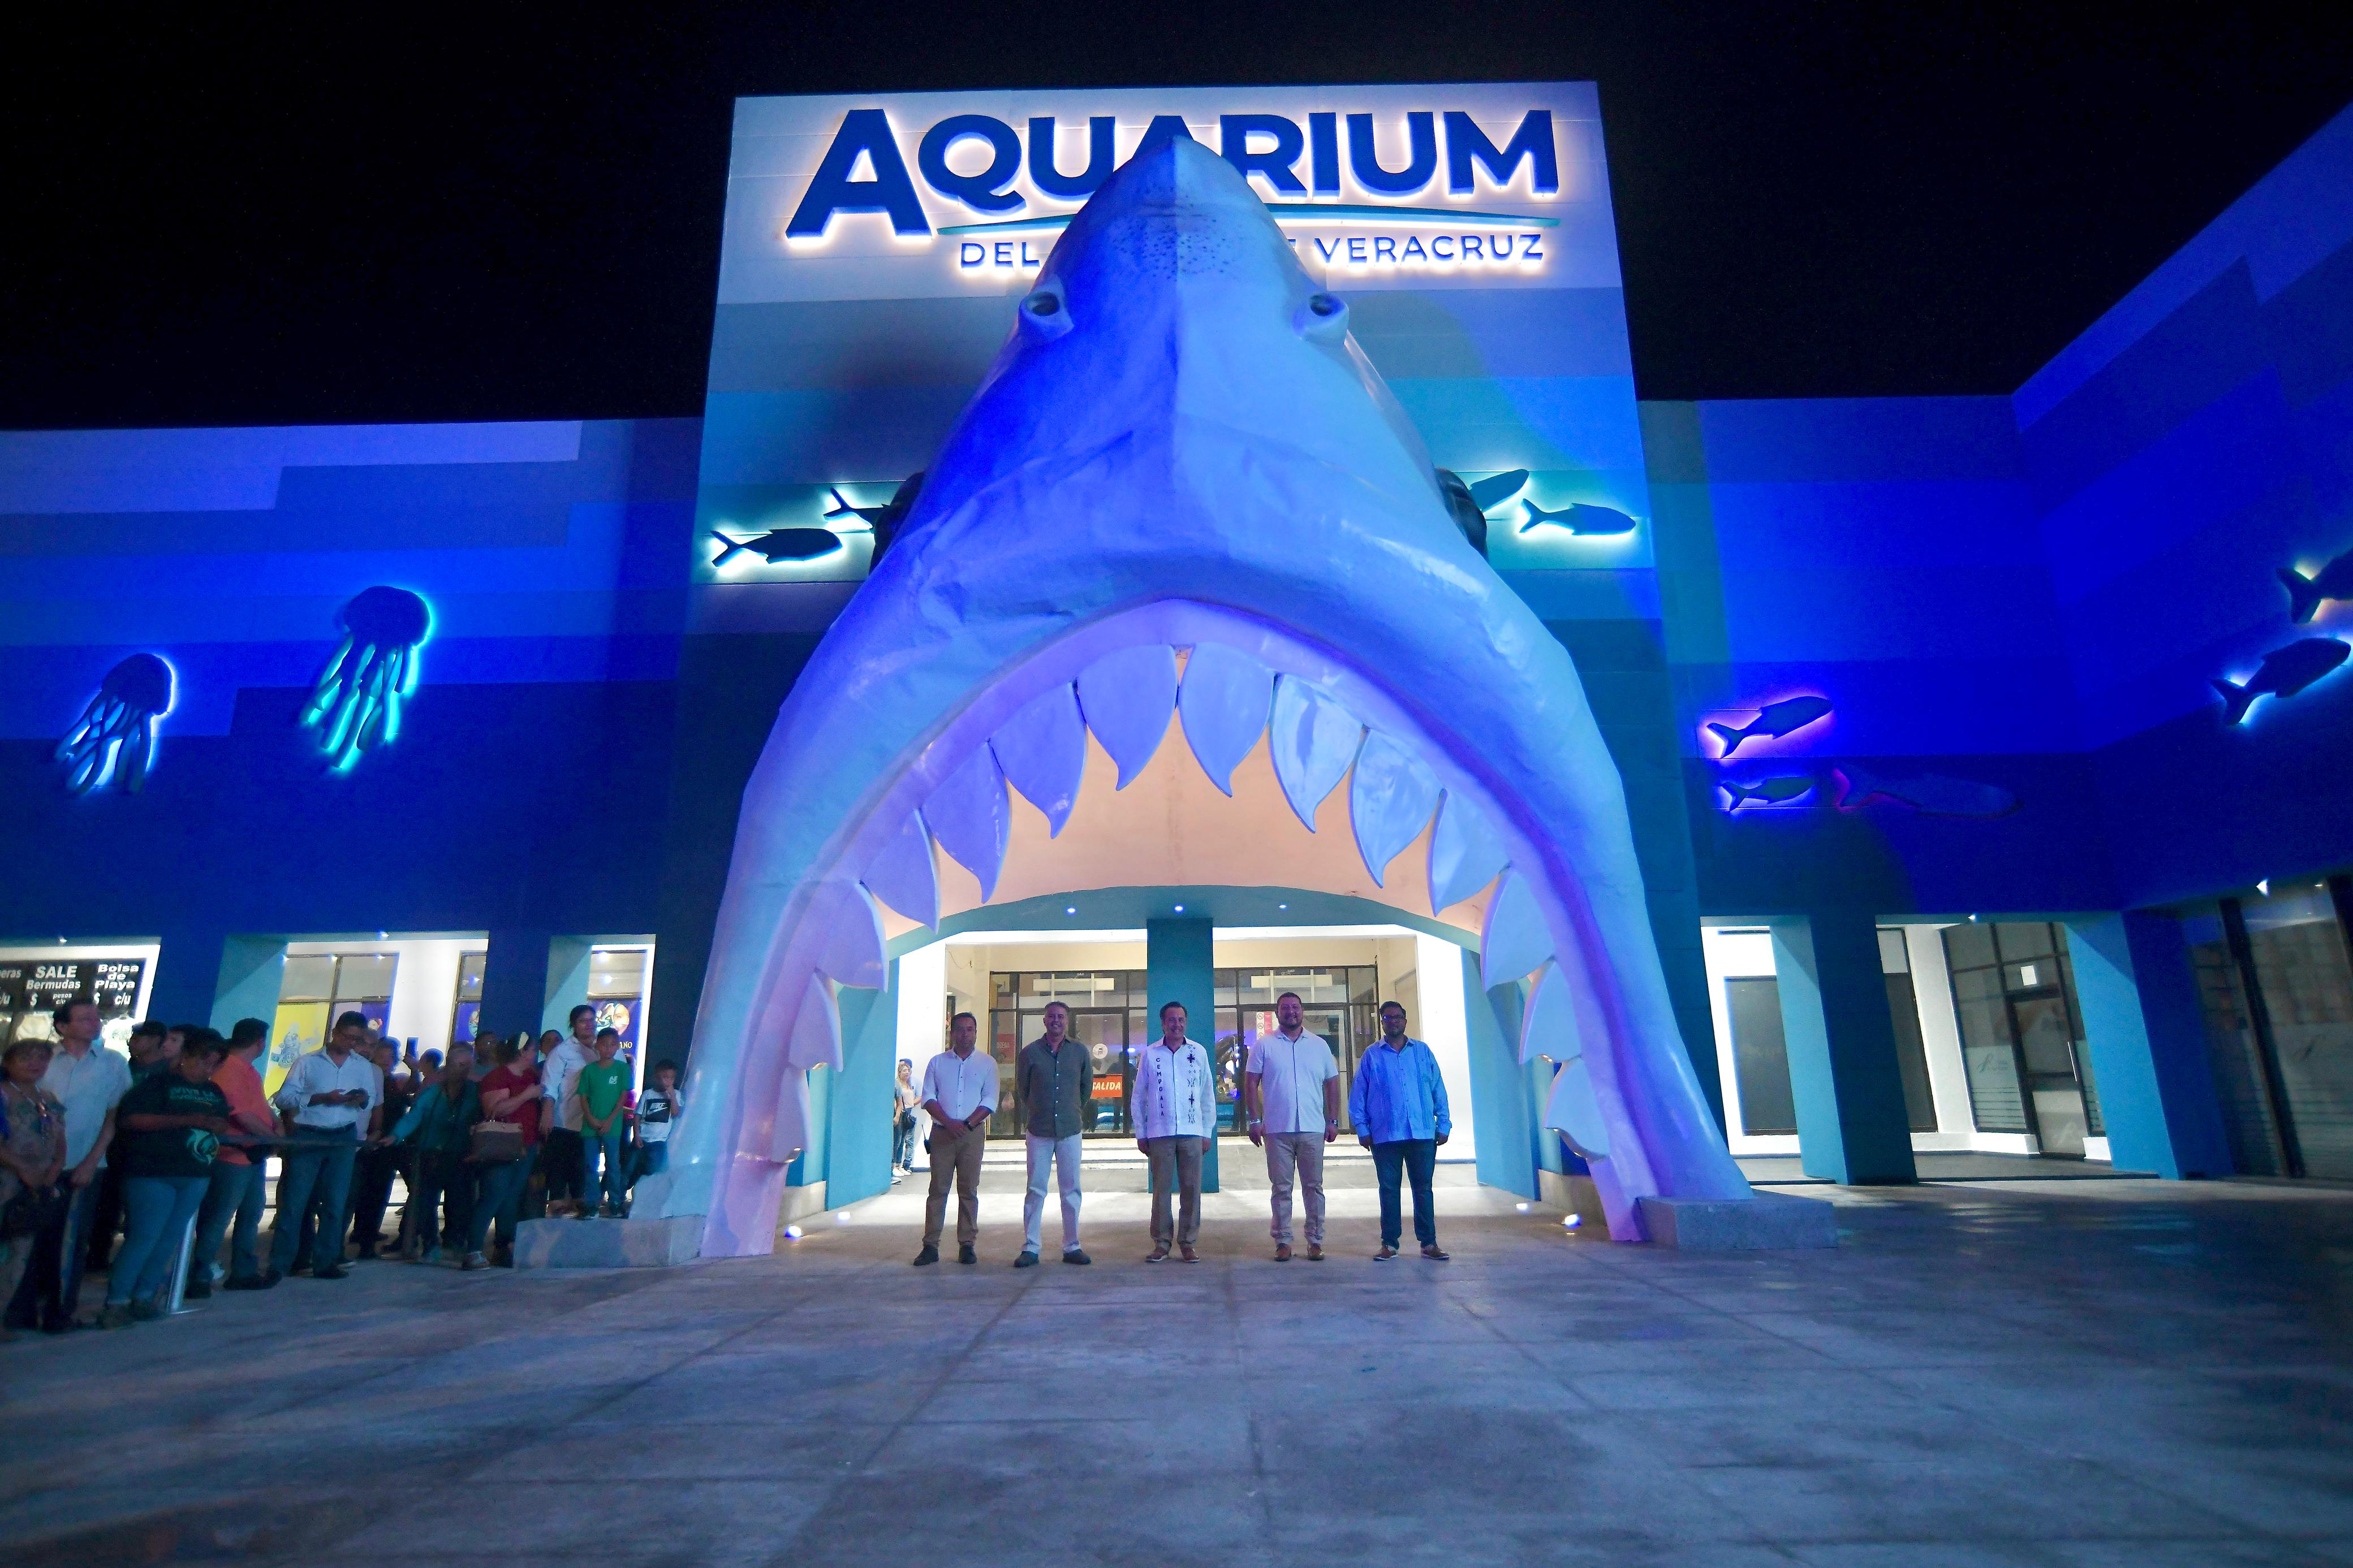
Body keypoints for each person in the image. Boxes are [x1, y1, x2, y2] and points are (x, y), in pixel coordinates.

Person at [99, 1029, 234, 1328]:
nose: (208, 1070)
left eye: (215, 1064)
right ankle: (117, 1300)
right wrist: (188, 1120)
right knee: (145, 1237)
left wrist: (215, 1125)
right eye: (203, 1062)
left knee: (169, 1239)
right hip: (153, 1171)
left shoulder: (214, 1092)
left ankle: (145, 1295)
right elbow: (131, 1119)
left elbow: (223, 1121)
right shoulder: (158, 1084)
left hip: (195, 1171)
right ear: (186, 1058)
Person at [11, 999, 130, 1332]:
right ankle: (18, 1311)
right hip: (32, 1166)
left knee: (71, 1242)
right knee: (25, 1237)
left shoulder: (113, 1063)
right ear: (62, 1026)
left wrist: (92, 1161)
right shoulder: (42, 1061)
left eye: (96, 1018)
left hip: (83, 1163)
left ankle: (59, 1312)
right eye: (84, 1019)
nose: (95, 1024)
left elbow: (113, 1117)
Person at [265, 1010, 381, 1284]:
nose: (351, 1043)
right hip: (310, 1134)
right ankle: (281, 1263)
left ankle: (326, 1260)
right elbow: (283, 1098)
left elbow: (371, 1098)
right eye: (348, 1037)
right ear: (335, 1032)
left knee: (335, 1202)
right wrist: (320, 1098)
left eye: (357, 1039)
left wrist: (359, 1099)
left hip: (343, 1135)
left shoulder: (362, 1066)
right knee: (295, 1201)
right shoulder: (308, 1062)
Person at [1349, 1001, 1452, 1262]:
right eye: (1387, 1018)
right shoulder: (1372, 1056)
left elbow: (1438, 1089)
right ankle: (1390, 1244)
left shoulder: (1423, 1052)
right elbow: (1358, 1096)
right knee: (1389, 1190)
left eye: (1397, 1017)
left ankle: (1429, 1244)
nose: (1393, 1021)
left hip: (1422, 1134)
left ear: (1405, 1021)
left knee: (1423, 1189)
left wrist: (1444, 1123)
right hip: (1385, 1136)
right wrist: (1362, 1128)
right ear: (1382, 1023)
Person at [1244, 990, 1342, 1263]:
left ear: (1303, 1012)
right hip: (1277, 1130)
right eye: (1285, 1008)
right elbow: (1251, 1083)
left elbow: (1332, 1083)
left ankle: (1315, 1240)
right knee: (1281, 1188)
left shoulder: (1320, 1046)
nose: (1291, 1012)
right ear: (1277, 1013)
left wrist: (1333, 1120)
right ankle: (1283, 1241)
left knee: (1314, 1186)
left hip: (1313, 1128)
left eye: (1295, 1007)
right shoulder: (1264, 1046)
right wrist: (1255, 1120)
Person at [186, 1019, 278, 1295]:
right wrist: (273, 1138)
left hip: (250, 1154)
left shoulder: (246, 1070)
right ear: (260, 1042)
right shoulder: (230, 1069)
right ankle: (199, 1275)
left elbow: (257, 1108)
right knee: (219, 1216)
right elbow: (238, 1113)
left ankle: (243, 1270)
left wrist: (274, 1131)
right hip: (233, 1155)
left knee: (250, 1214)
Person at [1133, 1001, 1214, 1264]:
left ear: (1185, 1023)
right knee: (1161, 1190)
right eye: (1171, 1020)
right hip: (1160, 1132)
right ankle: (1161, 1243)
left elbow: (1207, 1095)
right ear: (1163, 1024)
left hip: (1192, 1132)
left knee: (1192, 1188)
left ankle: (1188, 1243)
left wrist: (1207, 1131)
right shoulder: (1150, 1055)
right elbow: (1139, 1097)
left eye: (1181, 1020)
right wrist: (1141, 1132)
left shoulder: (1198, 1052)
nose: (1176, 1024)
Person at [913, 1013, 996, 1267]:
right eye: (960, 1030)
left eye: (970, 1030)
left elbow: (990, 1100)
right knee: (938, 1189)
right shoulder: (937, 1063)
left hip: (972, 1136)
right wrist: (949, 1123)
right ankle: (930, 1245)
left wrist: (968, 1124)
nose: (965, 1035)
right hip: (942, 1134)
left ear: (976, 1033)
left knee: (968, 1191)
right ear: (953, 1033)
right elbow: (928, 1097)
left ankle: (967, 1245)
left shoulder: (987, 1063)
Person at [1012, 1000, 1092, 1268]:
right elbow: (1023, 1090)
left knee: (1071, 1191)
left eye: (1061, 1017)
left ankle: (1072, 1246)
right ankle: (1031, 1248)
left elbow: (1085, 1090)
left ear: (1067, 1022)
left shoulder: (1080, 1052)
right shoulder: (1029, 1053)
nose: (1056, 1021)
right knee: (1035, 1190)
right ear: (1044, 1021)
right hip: (1039, 1131)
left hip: (1070, 1131)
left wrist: (1072, 1111)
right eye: (1051, 1017)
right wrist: (1040, 1110)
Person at [0, 1039, 68, 1340]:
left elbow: (60, 1140)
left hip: (37, 1187)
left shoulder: (48, 1098)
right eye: (26, 1058)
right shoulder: (3, 1095)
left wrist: (54, 1170)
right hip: (7, 1181)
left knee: (20, 1251)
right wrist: (21, 1168)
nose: (34, 1064)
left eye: (41, 1059)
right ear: (8, 1063)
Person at [390, 1044, 479, 1264]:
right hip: (430, 1154)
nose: (463, 1070)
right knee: (426, 1202)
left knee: (460, 1202)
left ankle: (457, 1242)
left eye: (467, 1065)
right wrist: (396, 1135)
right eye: (459, 1065)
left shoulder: (475, 1093)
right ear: (448, 1066)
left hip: (461, 1156)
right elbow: (415, 1116)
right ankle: (431, 1245)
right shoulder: (433, 1092)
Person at [466, 1034, 541, 1269]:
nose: (534, 1054)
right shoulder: (497, 1077)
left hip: (525, 1145)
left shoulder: (531, 1075)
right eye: (531, 1050)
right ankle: (473, 1249)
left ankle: (504, 1246)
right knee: (493, 1195)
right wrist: (526, 1096)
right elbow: (493, 1111)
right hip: (501, 1144)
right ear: (521, 1052)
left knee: (511, 1197)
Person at [345, 1039, 409, 1259]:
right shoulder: (374, 1078)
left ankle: (366, 1234)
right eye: (382, 1057)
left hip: (384, 1142)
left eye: (390, 1058)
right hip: (373, 1141)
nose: (387, 1062)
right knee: (365, 1192)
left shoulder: (390, 1081)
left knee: (374, 1192)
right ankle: (364, 1237)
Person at [540, 1011, 593, 1216]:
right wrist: (547, 1112)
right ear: (573, 1025)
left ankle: (582, 1204)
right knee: (560, 1166)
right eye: (582, 1021)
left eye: (591, 1020)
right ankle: (557, 1205)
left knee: (583, 1166)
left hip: (591, 1122)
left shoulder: (606, 1049)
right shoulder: (562, 1052)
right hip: (564, 1119)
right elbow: (550, 1085)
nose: (588, 1025)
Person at [575, 1027, 630, 1219]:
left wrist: (609, 1120)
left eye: (612, 1045)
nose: (608, 1049)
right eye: (604, 1045)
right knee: (591, 1165)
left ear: (617, 1047)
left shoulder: (622, 1069)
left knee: (613, 1165)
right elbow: (583, 1097)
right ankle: (592, 1203)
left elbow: (623, 1097)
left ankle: (615, 1202)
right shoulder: (589, 1070)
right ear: (597, 1045)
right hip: (590, 1125)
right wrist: (590, 1118)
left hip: (613, 1126)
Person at [629, 1059, 682, 1200]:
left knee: (653, 1168)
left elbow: (676, 1113)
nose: (668, 1081)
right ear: (657, 1078)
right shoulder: (648, 1094)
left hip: (659, 1141)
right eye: (665, 1077)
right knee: (629, 1167)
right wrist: (637, 1135)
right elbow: (637, 1116)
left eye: (672, 1078)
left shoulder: (676, 1094)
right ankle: (619, 1197)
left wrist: (672, 1096)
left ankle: (641, 1186)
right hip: (642, 1138)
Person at [889, 1059, 919, 1181]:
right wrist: (898, 1113)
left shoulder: (909, 1084)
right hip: (900, 1114)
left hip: (907, 1114)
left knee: (904, 1141)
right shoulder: (896, 1084)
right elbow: (897, 1101)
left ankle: (900, 1165)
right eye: (904, 1070)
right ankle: (893, 1166)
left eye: (908, 1070)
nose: (907, 1073)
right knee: (897, 1141)